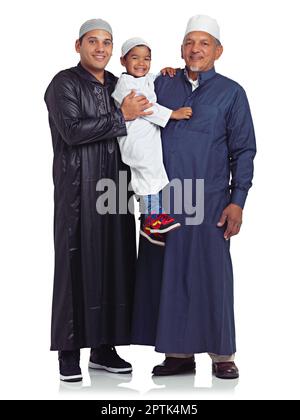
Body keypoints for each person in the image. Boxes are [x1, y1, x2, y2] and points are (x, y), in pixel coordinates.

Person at [132, 15, 256, 379]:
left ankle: (222, 354)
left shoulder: (231, 92)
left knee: (211, 274)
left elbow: (244, 150)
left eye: (204, 43)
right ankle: (178, 353)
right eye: (189, 43)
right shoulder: (164, 85)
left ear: (217, 50)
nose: (196, 49)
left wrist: (238, 200)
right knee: (167, 273)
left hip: (211, 199)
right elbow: (133, 95)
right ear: (181, 50)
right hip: (164, 198)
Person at [44, 19, 153, 382]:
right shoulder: (64, 84)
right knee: (76, 265)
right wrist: (120, 115)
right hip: (78, 189)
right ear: (79, 46)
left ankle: (104, 348)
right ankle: (69, 352)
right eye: (93, 41)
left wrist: (168, 71)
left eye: (107, 43)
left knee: (116, 263)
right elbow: (72, 132)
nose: (101, 48)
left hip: (117, 187)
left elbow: (149, 89)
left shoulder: (117, 84)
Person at [112, 38, 193, 246]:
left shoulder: (143, 78)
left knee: (152, 175)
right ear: (122, 61)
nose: (141, 63)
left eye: (146, 59)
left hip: (148, 138)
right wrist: (173, 114)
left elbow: (151, 78)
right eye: (135, 58)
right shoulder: (125, 84)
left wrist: (164, 71)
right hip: (136, 140)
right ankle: (153, 218)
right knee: (147, 175)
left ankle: (152, 223)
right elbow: (145, 106)